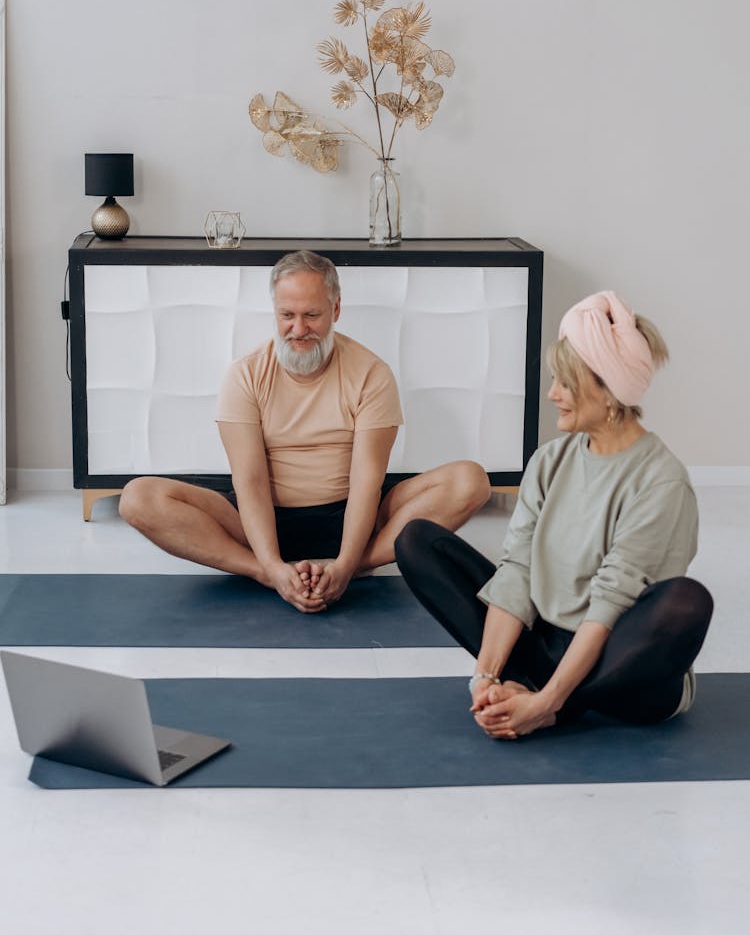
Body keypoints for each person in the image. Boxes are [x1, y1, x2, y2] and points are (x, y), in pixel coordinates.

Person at [395, 291, 713, 738]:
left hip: (620, 668)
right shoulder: (549, 461)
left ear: (607, 390)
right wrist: (484, 677)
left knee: (686, 602)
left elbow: (609, 606)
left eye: (565, 382)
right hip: (546, 645)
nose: (553, 394)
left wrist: (547, 703)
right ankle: (537, 692)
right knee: (416, 541)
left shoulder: (661, 482)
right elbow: (518, 571)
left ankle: (556, 706)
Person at [120, 250, 490, 613]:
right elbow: (249, 481)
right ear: (275, 312)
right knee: (138, 498)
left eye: (312, 315)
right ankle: (263, 572)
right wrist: (271, 565)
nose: (298, 329)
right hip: (261, 521)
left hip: (350, 518)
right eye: (287, 316)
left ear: (336, 310)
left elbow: (366, 481)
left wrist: (344, 565)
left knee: (469, 481)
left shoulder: (371, 373)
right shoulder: (245, 374)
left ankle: (356, 566)